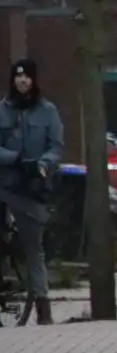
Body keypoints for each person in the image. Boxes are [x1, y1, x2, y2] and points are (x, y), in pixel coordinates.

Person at [0, 59, 63, 325]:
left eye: (27, 77)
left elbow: (56, 145)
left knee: (33, 248)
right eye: (18, 77)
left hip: (32, 188)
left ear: (34, 81)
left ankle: (42, 308)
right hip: (4, 184)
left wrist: (43, 164)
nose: (22, 81)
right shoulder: (2, 110)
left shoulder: (48, 112)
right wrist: (13, 158)